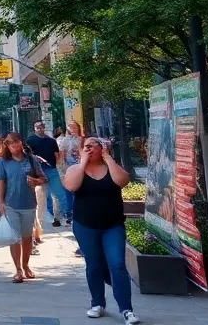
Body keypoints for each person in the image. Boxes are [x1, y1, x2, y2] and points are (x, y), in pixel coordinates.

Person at [64, 137, 140, 324]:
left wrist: (108, 159)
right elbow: (72, 186)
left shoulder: (111, 167)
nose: (89, 149)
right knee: (94, 264)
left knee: (117, 265)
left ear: (102, 148)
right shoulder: (75, 169)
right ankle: (97, 303)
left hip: (112, 225)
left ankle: (126, 309)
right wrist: (82, 163)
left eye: (93, 145)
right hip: (85, 225)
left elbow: (123, 181)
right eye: (85, 146)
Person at [0, 133, 46, 282]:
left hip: (29, 204)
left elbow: (43, 178)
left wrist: (36, 181)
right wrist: (1, 203)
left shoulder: (31, 159)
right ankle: (18, 269)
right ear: (7, 146)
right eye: (10, 143)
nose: (14, 145)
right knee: (14, 238)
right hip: (11, 205)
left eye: (16, 142)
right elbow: (0, 182)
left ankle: (26, 265)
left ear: (22, 142)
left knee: (27, 237)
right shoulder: (3, 161)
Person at [27, 121, 67, 229]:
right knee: (44, 195)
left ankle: (62, 215)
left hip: (51, 169)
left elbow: (57, 155)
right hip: (38, 171)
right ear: (34, 128)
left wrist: (59, 166)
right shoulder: (30, 140)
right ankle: (50, 216)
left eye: (41, 127)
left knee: (59, 193)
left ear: (44, 128)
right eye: (37, 127)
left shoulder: (51, 141)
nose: (40, 129)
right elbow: (28, 154)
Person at [58, 121, 83, 224]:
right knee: (68, 192)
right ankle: (69, 213)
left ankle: (80, 212)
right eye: (70, 126)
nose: (72, 128)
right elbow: (62, 155)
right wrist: (62, 170)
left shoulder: (82, 139)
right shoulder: (65, 140)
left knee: (80, 191)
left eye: (74, 126)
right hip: (68, 169)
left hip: (80, 168)